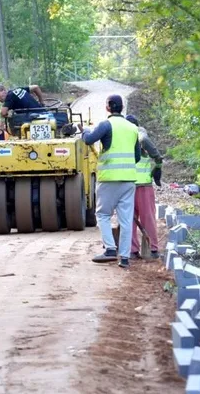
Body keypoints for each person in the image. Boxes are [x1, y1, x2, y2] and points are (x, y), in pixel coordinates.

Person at [82, 94, 141, 269]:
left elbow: (88, 140)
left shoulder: (106, 125)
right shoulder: (132, 128)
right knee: (126, 219)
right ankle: (124, 258)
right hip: (129, 180)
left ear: (108, 106)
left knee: (103, 215)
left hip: (109, 179)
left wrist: (84, 130)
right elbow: (137, 156)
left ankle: (109, 249)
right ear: (121, 107)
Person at [125, 114, 163, 259]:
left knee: (130, 219)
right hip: (140, 186)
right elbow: (145, 139)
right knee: (146, 218)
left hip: (129, 185)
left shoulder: (133, 135)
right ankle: (151, 250)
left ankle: (135, 250)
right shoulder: (137, 134)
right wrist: (158, 162)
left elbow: (144, 139)